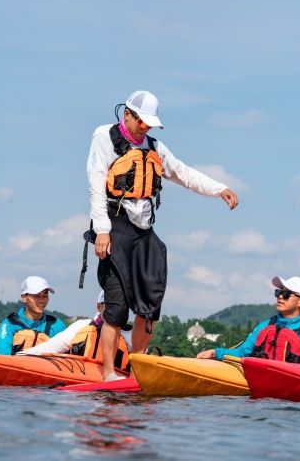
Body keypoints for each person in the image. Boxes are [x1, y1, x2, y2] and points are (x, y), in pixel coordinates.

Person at [85, 90, 239, 381]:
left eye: (149, 124)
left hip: (144, 231)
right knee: (116, 308)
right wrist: (102, 230)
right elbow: (95, 183)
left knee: (149, 305)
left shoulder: (154, 147)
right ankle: (108, 374)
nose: (145, 128)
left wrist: (219, 189)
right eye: (141, 122)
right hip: (115, 226)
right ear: (126, 115)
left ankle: (136, 370)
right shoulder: (104, 138)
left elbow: (183, 173)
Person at [196, 276, 300, 363]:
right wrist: (216, 352)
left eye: (287, 294)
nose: (280, 296)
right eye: (279, 292)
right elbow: (242, 353)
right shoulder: (264, 326)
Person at [19, 290, 132, 371]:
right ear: (99, 307)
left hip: (114, 387)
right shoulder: (81, 326)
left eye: (119, 307)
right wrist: (19, 357)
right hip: (78, 381)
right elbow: (51, 346)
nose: (115, 311)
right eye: (110, 306)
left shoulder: (130, 336)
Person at [0, 276, 68, 355]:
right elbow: (2, 358)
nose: (42, 300)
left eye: (45, 295)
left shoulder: (57, 326)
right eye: (37, 296)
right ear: (24, 297)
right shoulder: (8, 325)